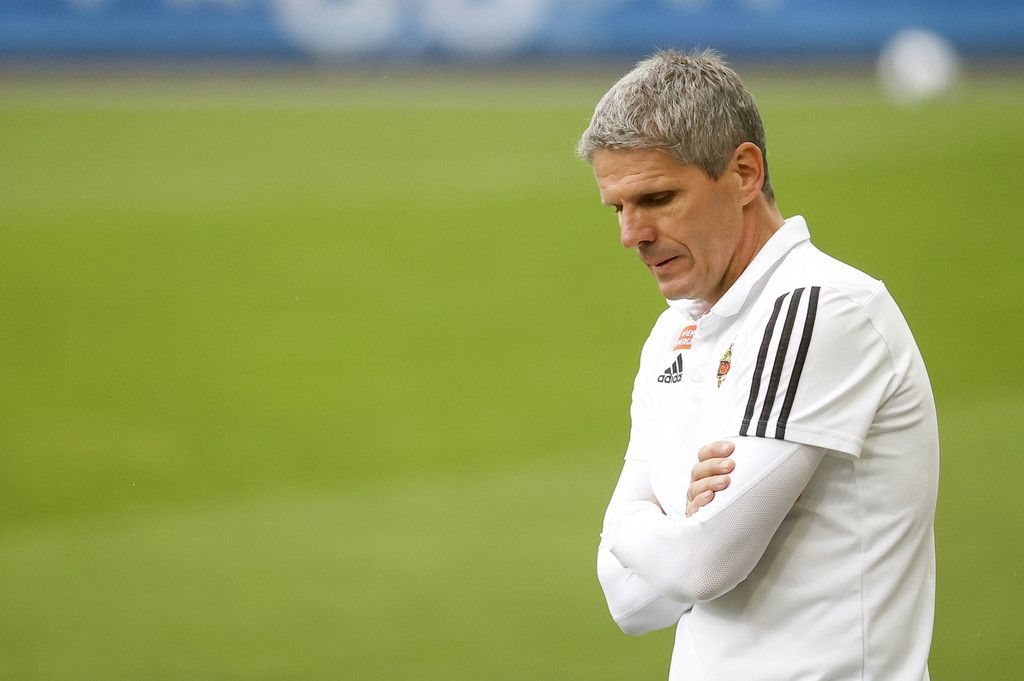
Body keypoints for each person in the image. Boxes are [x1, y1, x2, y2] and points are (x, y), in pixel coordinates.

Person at [577, 50, 939, 680]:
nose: (631, 235)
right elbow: (628, 601)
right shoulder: (673, 335)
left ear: (744, 173)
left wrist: (639, 520)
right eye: (618, 208)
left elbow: (700, 564)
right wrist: (680, 523)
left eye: (657, 198)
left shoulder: (821, 308)